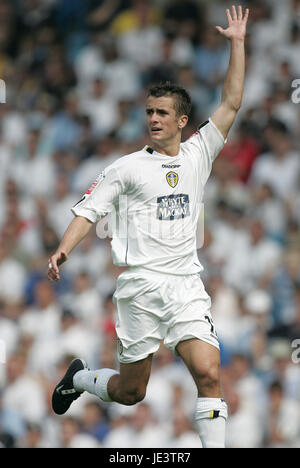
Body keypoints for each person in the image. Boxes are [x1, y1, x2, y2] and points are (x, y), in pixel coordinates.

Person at [47, 5, 249, 449]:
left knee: (210, 371)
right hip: (139, 287)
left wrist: (236, 43)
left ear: (181, 121)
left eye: (162, 113)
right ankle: (80, 379)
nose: (153, 119)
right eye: (149, 112)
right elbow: (87, 211)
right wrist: (64, 249)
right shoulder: (126, 168)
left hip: (186, 284)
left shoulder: (199, 153)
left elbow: (231, 102)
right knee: (131, 392)